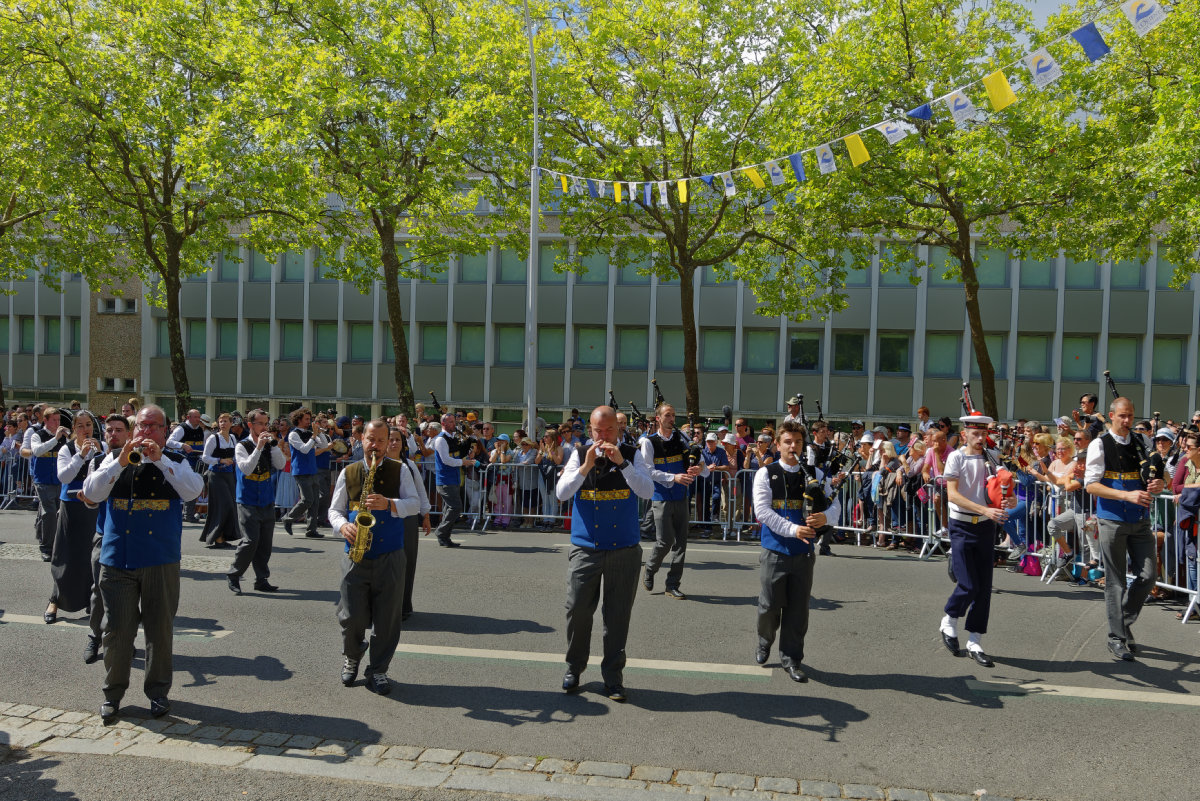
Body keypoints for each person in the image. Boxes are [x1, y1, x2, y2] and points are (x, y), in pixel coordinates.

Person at [81, 405, 205, 724]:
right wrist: (120, 462)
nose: (146, 432)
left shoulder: (175, 461)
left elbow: (193, 492)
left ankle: (158, 692)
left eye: (153, 426)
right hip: (117, 558)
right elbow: (92, 493)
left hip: (159, 559)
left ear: (165, 431)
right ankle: (113, 693)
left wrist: (160, 459)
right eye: (141, 426)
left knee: (159, 630)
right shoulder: (112, 458)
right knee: (118, 631)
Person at [556, 406, 655, 701]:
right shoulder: (579, 453)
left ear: (618, 429)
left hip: (623, 549)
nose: (603, 436)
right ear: (590, 430)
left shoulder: (632, 453)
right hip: (585, 548)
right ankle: (574, 668)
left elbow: (647, 491)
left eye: (609, 430)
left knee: (617, 616)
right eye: (598, 431)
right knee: (577, 610)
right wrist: (585, 466)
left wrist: (622, 463)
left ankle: (613, 677)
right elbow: (562, 493)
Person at [329, 420, 421, 695]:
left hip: (390, 555)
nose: (376, 445)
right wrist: (343, 525)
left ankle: (378, 670)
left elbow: (414, 503)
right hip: (355, 555)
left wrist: (390, 504)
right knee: (351, 616)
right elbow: (334, 510)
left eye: (382, 441)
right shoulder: (350, 471)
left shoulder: (400, 469)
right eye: (371, 439)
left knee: (387, 619)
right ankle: (353, 655)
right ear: (362, 439)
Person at [1084, 397, 1164, 662]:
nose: (1127, 421)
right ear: (1112, 415)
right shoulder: (1100, 444)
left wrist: (1157, 486)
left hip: (1140, 520)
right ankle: (1116, 638)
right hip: (1111, 519)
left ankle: (1123, 622)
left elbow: (1155, 477)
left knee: (1148, 576)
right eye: (1122, 416)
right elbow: (1091, 485)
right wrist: (1127, 496)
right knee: (1115, 582)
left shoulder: (1142, 442)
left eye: (1130, 416)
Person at [752, 421, 833, 683]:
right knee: (769, 605)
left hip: (804, 553)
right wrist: (793, 529)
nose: (793, 446)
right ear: (777, 445)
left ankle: (791, 659)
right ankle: (765, 639)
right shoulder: (766, 474)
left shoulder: (815, 475)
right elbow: (762, 511)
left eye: (797, 442)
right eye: (787, 441)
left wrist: (825, 517)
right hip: (775, 551)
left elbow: (836, 505)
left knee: (798, 609)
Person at [938, 411, 1015, 668]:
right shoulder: (956, 458)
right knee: (968, 584)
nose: (980, 437)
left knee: (983, 589)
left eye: (984, 433)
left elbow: (1003, 493)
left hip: (985, 528)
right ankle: (949, 619)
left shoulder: (993, 458)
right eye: (975, 433)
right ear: (965, 434)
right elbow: (953, 495)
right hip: (961, 525)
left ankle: (975, 640)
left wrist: (1008, 500)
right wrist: (985, 510)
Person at [641, 403, 708, 599]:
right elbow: (647, 471)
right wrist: (674, 477)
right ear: (658, 419)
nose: (672, 418)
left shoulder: (683, 439)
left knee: (681, 543)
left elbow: (702, 465)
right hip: (661, 498)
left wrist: (698, 468)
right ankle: (650, 569)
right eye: (668, 415)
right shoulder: (648, 442)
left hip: (681, 497)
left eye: (673, 415)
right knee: (665, 541)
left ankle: (672, 584)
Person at [47, 412, 104, 625]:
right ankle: (54, 599)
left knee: (92, 555)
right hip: (71, 506)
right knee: (65, 554)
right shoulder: (67, 449)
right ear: (73, 429)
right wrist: (81, 456)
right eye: (80, 426)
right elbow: (64, 477)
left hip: (94, 505)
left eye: (88, 425)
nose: (85, 429)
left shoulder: (102, 448)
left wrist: (99, 455)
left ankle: (91, 599)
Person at [83, 414, 131, 664]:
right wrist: (88, 499)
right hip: (104, 534)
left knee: (131, 592)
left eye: (119, 430)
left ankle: (125, 639)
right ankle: (94, 635)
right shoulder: (98, 461)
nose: (114, 434)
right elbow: (93, 500)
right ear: (104, 435)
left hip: (132, 535)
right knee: (98, 589)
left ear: (128, 434)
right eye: (109, 430)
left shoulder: (138, 458)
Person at [226, 409, 286, 595]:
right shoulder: (241, 445)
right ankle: (234, 574)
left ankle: (261, 579)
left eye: (266, 423)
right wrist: (259, 447)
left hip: (267, 499)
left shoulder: (269, 444)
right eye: (260, 423)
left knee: (265, 543)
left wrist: (274, 446)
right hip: (247, 499)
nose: (264, 427)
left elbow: (281, 465)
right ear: (250, 425)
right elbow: (246, 469)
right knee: (250, 540)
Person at [24, 406, 68, 561]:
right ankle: (46, 547)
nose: (57, 423)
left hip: (59, 479)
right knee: (49, 512)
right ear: (46, 420)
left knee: (56, 512)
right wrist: (55, 439)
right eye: (54, 420)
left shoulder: (64, 437)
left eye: (59, 420)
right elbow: (36, 451)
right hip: (42, 479)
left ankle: (50, 540)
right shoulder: (37, 435)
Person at [431, 413, 479, 547]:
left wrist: (469, 447)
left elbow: (458, 453)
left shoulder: (452, 438)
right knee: (455, 507)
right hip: (445, 479)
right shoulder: (441, 439)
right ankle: (441, 532)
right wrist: (464, 463)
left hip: (454, 478)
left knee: (449, 509)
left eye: (454, 421)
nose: (454, 424)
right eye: (451, 422)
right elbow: (446, 460)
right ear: (444, 424)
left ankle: (445, 537)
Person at [283, 407, 331, 538]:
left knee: (315, 502)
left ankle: (311, 529)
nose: (309, 422)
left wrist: (319, 433)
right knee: (307, 499)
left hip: (312, 469)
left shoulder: (310, 433)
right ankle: (288, 518)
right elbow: (304, 449)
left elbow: (324, 446)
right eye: (307, 419)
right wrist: (314, 436)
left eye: (310, 419)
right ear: (298, 420)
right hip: (300, 471)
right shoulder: (294, 434)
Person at [199, 413, 240, 548]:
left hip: (229, 475)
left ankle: (224, 535)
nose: (223, 423)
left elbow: (235, 456)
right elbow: (205, 457)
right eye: (221, 421)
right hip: (215, 475)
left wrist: (233, 461)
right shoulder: (213, 438)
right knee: (222, 505)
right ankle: (217, 537)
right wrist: (220, 460)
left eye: (225, 421)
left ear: (231, 423)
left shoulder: (233, 438)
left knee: (230, 505)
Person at [166, 408, 208, 523]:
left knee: (193, 487)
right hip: (183, 462)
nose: (198, 419)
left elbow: (202, 445)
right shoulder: (181, 428)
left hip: (196, 461)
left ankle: (188, 515)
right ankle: (178, 514)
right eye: (196, 417)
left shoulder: (200, 429)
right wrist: (182, 445)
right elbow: (169, 442)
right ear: (188, 417)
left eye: (199, 417)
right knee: (179, 487)